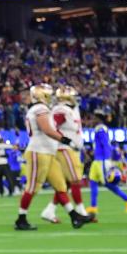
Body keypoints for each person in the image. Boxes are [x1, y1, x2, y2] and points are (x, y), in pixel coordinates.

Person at [15, 84, 92, 231]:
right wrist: (66, 140)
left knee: (60, 184)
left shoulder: (43, 108)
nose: (52, 98)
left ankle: (74, 216)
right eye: (48, 95)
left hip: (48, 152)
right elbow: (47, 129)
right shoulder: (40, 109)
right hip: (39, 151)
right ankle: (21, 218)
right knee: (32, 187)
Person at [40, 85, 87, 223]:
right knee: (75, 180)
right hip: (63, 148)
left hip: (70, 149)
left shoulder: (71, 109)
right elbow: (51, 128)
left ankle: (49, 211)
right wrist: (66, 141)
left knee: (63, 184)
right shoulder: (61, 110)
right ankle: (81, 211)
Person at [86, 108, 127, 215]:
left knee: (107, 184)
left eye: (94, 118)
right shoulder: (99, 128)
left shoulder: (101, 129)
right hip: (97, 160)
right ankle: (93, 206)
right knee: (92, 182)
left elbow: (106, 145)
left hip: (102, 160)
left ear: (99, 119)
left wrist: (108, 159)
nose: (92, 120)